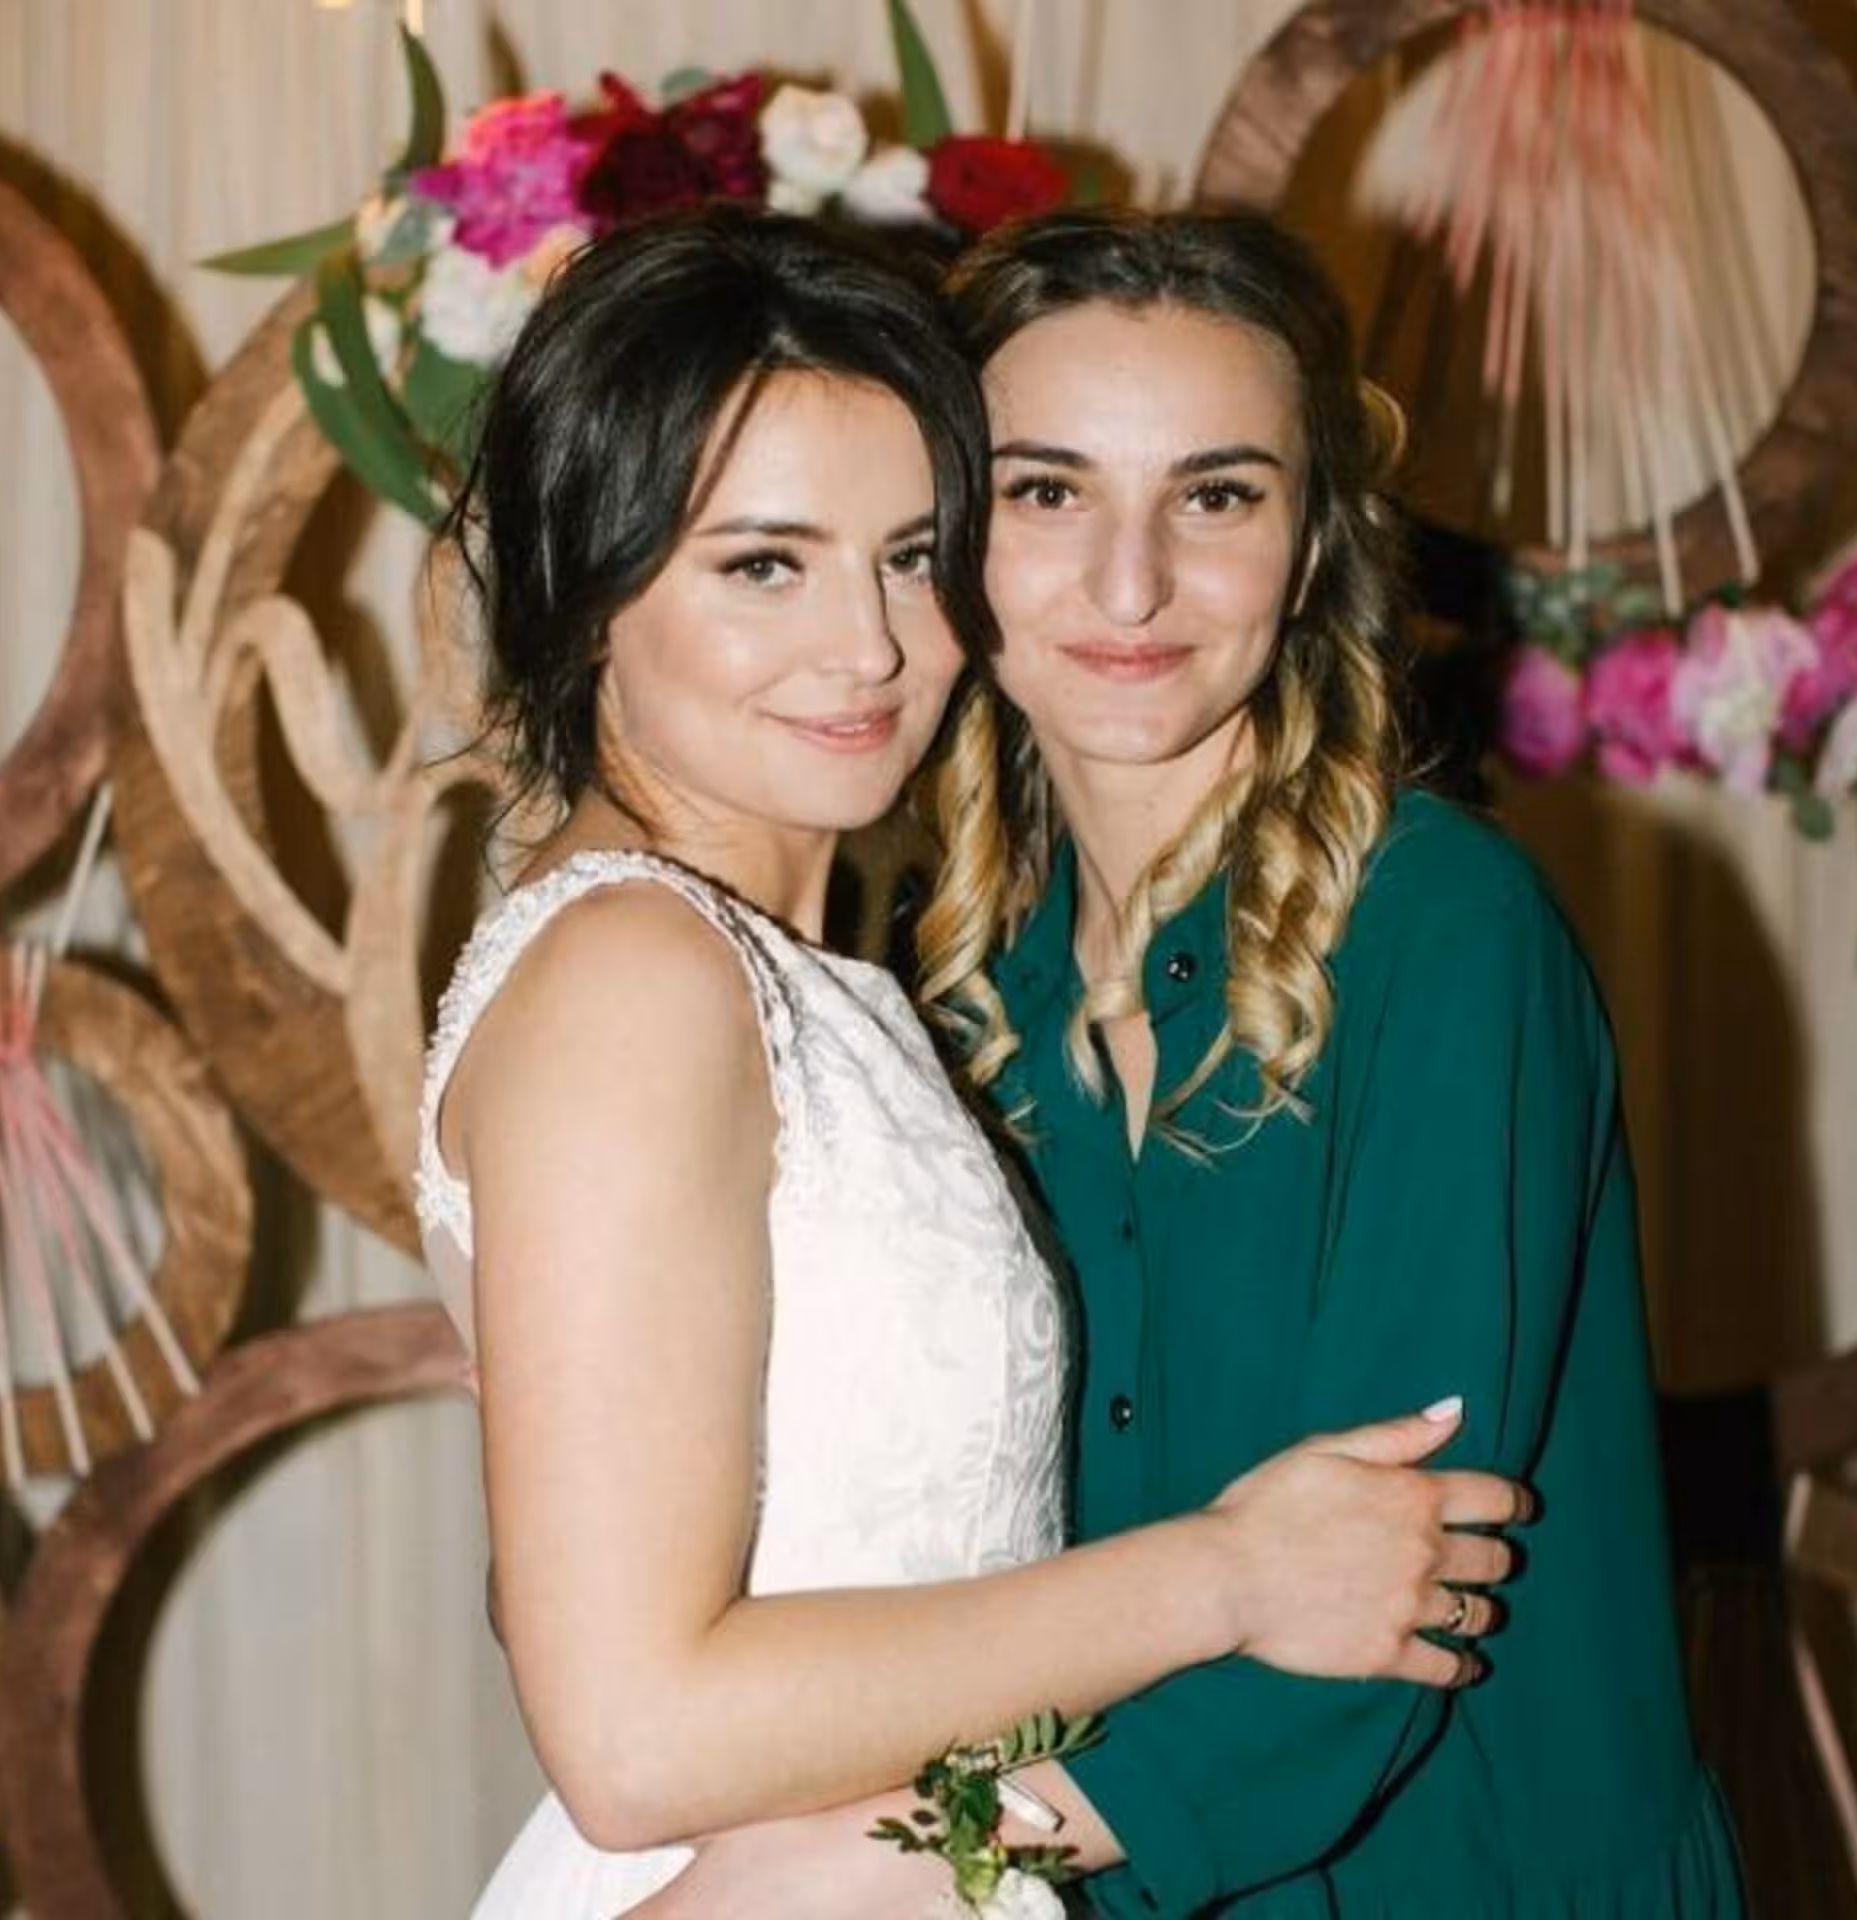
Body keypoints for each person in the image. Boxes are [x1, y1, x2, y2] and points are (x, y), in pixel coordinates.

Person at [416, 205, 1522, 1918]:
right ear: (591, 579)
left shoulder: (830, 969)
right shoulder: (638, 974)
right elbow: (635, 1735)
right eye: (763, 564)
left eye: (913, 554)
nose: (869, 647)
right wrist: (1226, 1576)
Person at [641, 208, 1747, 1916]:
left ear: (1309, 548)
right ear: (952, 535)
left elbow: (1384, 1598)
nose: (1131, 584)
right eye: (1048, 492)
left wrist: (884, 1873)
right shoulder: (948, 983)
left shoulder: (1447, 932)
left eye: (1216, 496)